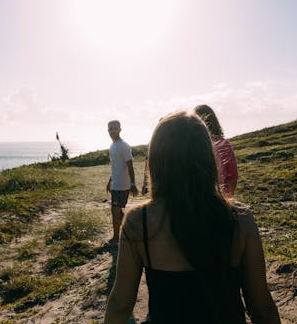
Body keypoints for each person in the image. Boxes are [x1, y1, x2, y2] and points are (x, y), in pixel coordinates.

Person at [104, 111, 280, 323]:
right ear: (208, 157)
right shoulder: (240, 219)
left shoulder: (139, 221)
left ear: (156, 160)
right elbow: (261, 307)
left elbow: (120, 306)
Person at [194, 104, 238, 197]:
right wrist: (228, 198)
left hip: (196, 198)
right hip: (219, 198)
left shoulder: (191, 145)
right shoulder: (223, 144)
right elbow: (233, 176)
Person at [106, 120, 139, 244]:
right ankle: (133, 226)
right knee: (118, 211)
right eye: (111, 128)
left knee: (115, 211)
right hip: (115, 184)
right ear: (107, 130)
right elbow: (115, 166)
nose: (113, 130)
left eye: (115, 128)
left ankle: (116, 238)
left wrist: (133, 184)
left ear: (120, 129)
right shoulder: (112, 146)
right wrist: (110, 181)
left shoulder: (123, 145)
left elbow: (130, 166)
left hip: (123, 185)